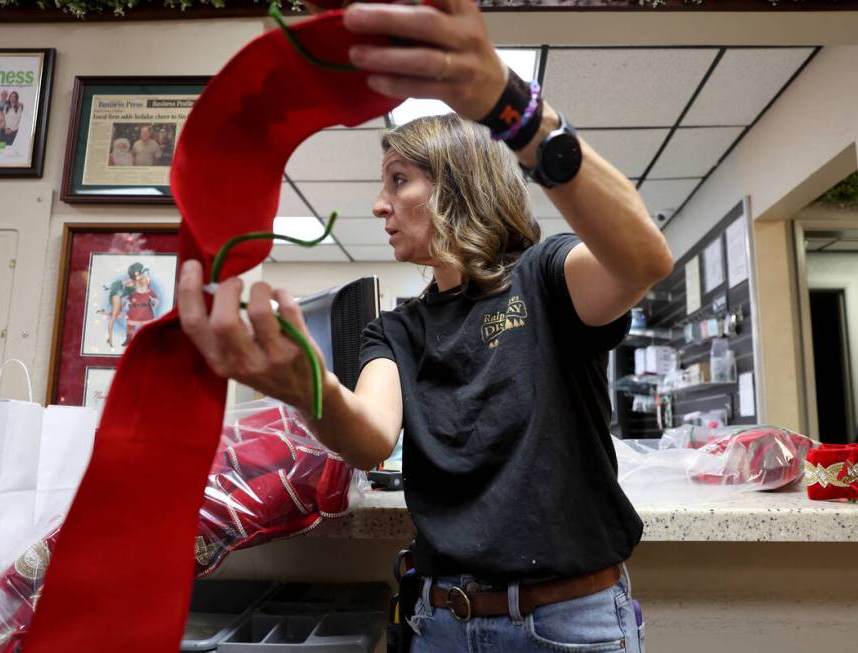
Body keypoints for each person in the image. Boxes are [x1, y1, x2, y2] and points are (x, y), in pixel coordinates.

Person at [178, 0, 672, 650]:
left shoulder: (545, 278)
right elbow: (370, 437)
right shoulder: (398, 329)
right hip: (441, 622)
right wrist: (308, 388)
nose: (380, 203)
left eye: (399, 179)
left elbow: (643, 258)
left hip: (566, 624)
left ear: (458, 185)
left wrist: (514, 109)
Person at [123, 263, 158, 345]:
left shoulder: (150, 292)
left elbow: (155, 300)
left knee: (147, 328)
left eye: (142, 279)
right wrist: (127, 304)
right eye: (138, 281)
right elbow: (127, 301)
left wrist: (152, 301)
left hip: (147, 315)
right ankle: (129, 337)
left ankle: (149, 339)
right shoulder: (133, 294)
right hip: (134, 314)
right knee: (131, 325)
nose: (140, 283)